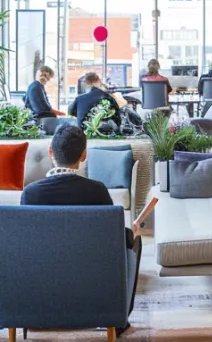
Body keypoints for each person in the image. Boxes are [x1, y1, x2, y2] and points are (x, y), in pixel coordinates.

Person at [22, 124, 142, 328]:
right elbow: (111, 239)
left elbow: (27, 244)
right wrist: (131, 233)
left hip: (44, 285)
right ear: (84, 155)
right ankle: (118, 319)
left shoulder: (31, 193)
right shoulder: (96, 191)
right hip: (89, 284)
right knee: (134, 242)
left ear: (51, 152)